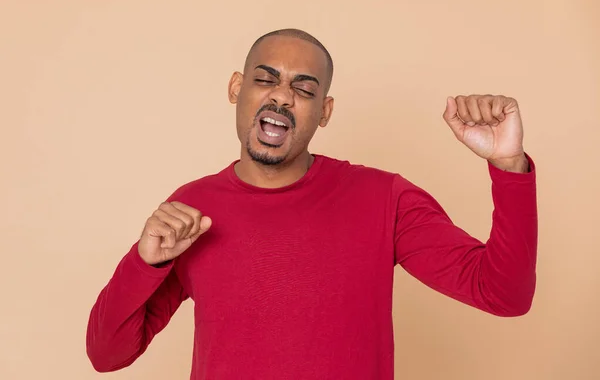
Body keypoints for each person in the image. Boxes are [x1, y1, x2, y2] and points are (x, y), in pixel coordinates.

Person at [86, 28, 537, 379]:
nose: (281, 96)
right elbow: (107, 355)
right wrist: (143, 263)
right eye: (266, 79)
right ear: (236, 88)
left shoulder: (385, 199)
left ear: (325, 111)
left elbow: (504, 295)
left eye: (304, 89)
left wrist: (508, 164)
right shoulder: (192, 209)